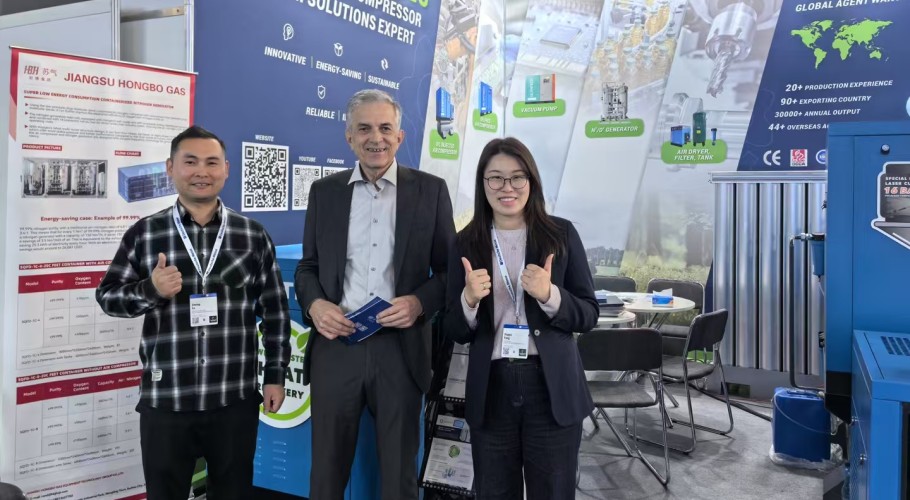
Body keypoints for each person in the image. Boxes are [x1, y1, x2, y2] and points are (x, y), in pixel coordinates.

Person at [96, 125, 290, 500]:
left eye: (212, 162)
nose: (202, 171)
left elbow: (275, 312)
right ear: (171, 168)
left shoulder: (252, 235)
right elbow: (108, 297)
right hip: (168, 398)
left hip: (233, 398)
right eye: (190, 162)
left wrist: (275, 376)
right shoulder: (145, 234)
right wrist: (150, 290)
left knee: (233, 493)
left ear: (226, 169)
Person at [295, 88, 455, 500]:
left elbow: (449, 272)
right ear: (349, 136)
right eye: (364, 128)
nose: (376, 138)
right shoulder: (325, 192)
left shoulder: (431, 191)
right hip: (337, 346)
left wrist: (419, 303)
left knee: (399, 475)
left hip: (400, 350)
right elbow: (307, 267)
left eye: (385, 128)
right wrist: (315, 304)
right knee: (326, 473)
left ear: (400, 137)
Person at [442, 137, 598, 499]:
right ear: (483, 184)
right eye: (495, 178)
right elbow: (454, 329)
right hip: (492, 389)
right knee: (495, 492)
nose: (507, 187)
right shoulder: (465, 243)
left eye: (517, 177)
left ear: (531, 181)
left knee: (553, 492)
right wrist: (468, 300)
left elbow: (588, 314)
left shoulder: (561, 235)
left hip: (550, 386)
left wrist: (550, 295)